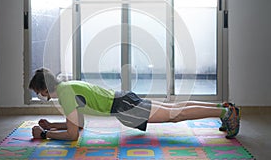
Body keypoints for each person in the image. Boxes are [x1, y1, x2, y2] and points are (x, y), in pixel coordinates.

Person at [29, 68, 240, 141]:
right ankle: (223, 107)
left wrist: (45, 136)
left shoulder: (65, 95)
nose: (39, 95)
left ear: (44, 89)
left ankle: (223, 112)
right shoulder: (67, 86)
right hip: (124, 98)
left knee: (176, 115)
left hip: (124, 107)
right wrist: (52, 126)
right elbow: (79, 124)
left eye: (38, 92)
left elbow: (74, 134)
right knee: (175, 109)